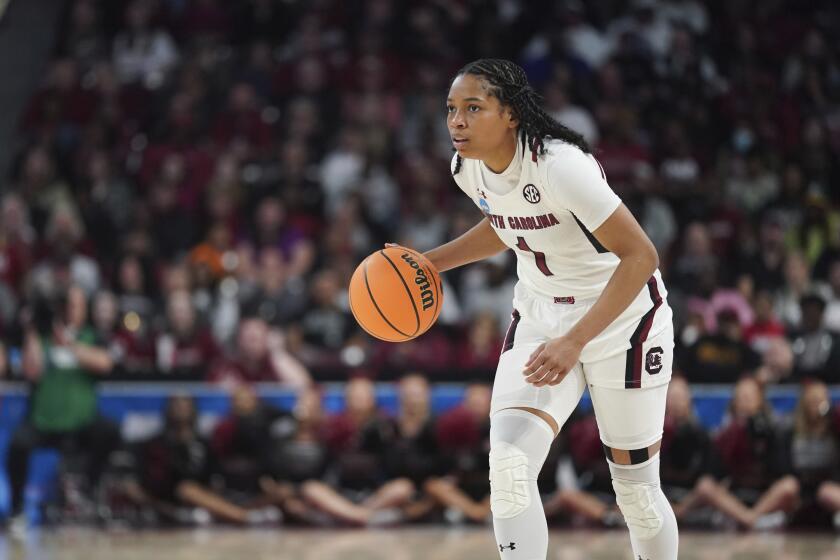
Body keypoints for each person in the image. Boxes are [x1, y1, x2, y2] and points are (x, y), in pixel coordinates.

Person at [412, 58, 678, 559]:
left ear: (510, 114)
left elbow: (641, 255)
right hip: (539, 316)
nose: (457, 122)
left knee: (636, 492)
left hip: (622, 318)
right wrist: (429, 263)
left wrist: (576, 340)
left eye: (473, 108)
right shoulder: (465, 168)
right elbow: (508, 223)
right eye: (451, 109)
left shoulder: (560, 165)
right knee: (509, 466)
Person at [5, 285, 120, 533]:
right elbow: (31, 372)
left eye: (76, 305)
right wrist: (32, 331)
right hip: (44, 422)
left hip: (81, 422)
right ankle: (17, 508)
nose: (71, 310)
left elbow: (105, 363)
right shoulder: (42, 336)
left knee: (109, 431)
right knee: (17, 444)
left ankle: (88, 487)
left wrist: (68, 344)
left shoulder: (92, 335)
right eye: (67, 304)